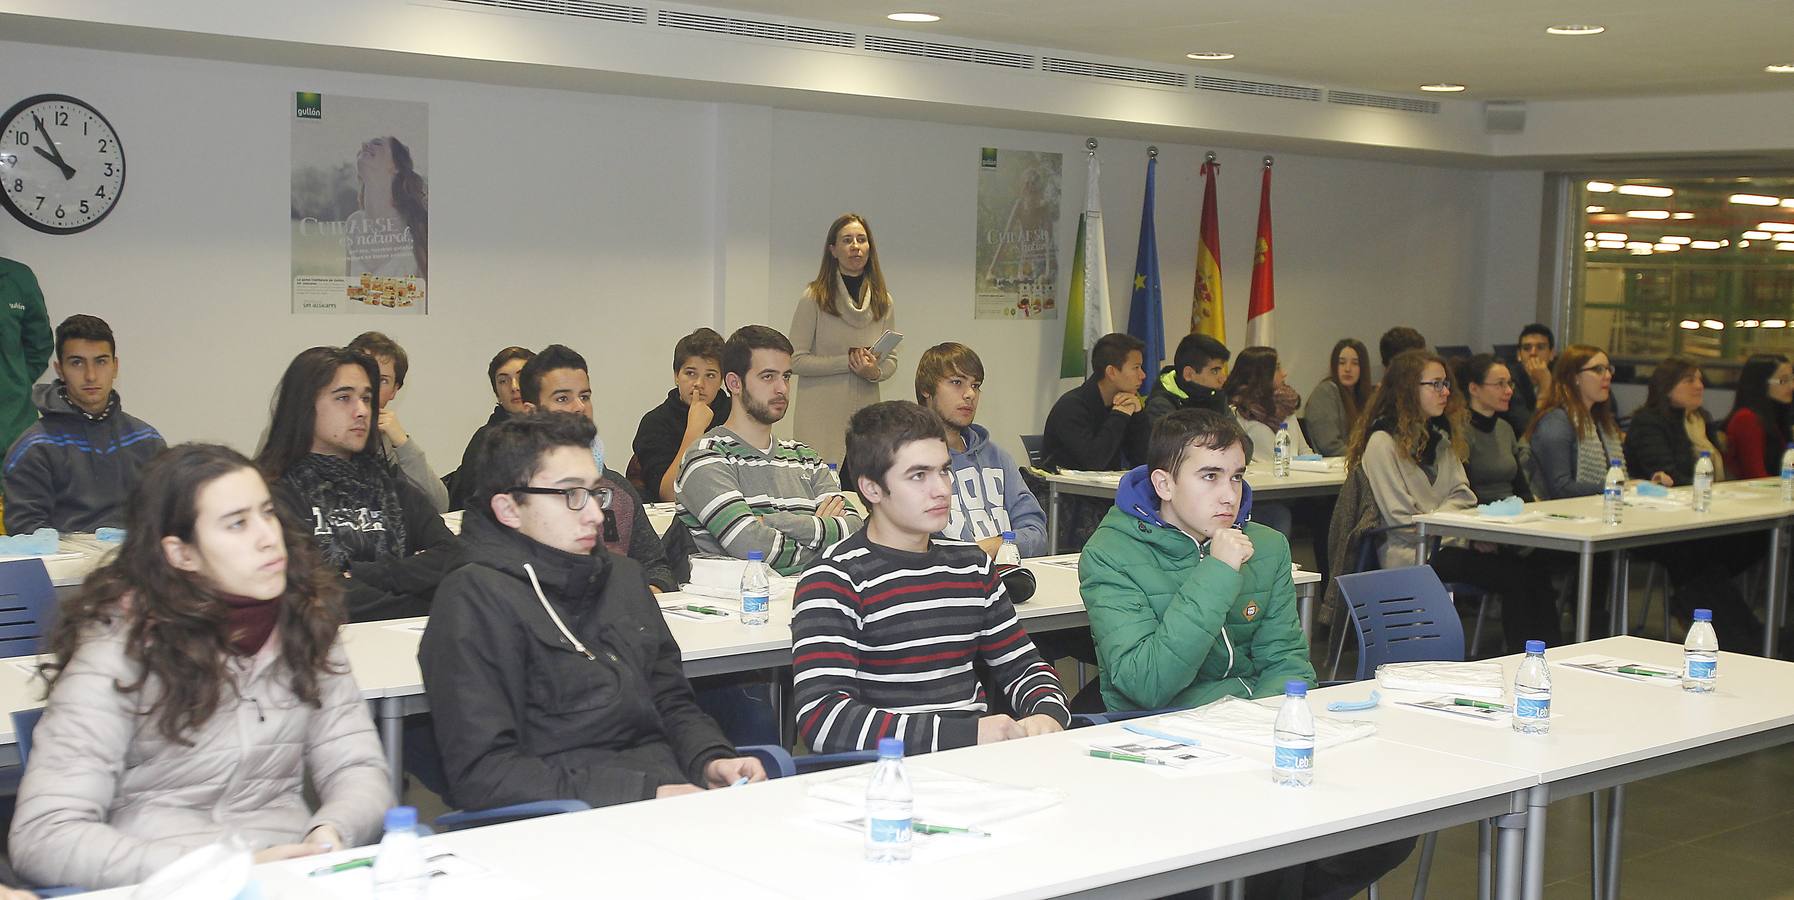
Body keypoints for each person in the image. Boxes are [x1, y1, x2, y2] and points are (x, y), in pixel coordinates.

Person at [8, 444, 389, 890]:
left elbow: (358, 767)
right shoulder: (118, 646)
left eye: (267, 513)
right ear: (181, 553)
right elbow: (45, 834)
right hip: (167, 878)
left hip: (289, 869)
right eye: (237, 524)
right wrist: (221, 869)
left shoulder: (307, 623)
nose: (268, 536)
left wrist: (329, 835)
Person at [1080, 408, 1411, 900]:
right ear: (1164, 484)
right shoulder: (1109, 554)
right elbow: (1146, 682)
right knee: (1254, 851)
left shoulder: (1268, 546)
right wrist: (1218, 572)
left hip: (1256, 739)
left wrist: (1268, 727)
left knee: (1392, 822)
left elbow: (1288, 663)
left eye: (1235, 476)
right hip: (1168, 741)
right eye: (1209, 476)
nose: (1228, 494)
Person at [420, 413, 765, 811]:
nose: (596, 515)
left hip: (666, 800)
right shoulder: (472, 600)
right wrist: (643, 793)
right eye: (571, 496)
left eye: (595, 494)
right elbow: (485, 774)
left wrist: (711, 758)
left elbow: (671, 701)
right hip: (559, 826)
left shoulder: (622, 578)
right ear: (509, 508)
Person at [792, 401, 1070, 753]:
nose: (941, 489)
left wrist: (1048, 713)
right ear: (872, 489)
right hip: (884, 777)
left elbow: (1024, 667)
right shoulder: (833, 578)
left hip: (975, 764)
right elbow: (824, 720)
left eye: (944, 471)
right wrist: (964, 735)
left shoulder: (972, 565)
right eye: (918, 476)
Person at [1347, 350, 1560, 649]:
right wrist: (1458, 533)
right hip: (1411, 552)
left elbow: (1463, 495)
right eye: (1435, 384)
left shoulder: (1439, 441)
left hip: (1443, 544)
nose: (1445, 391)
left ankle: (1548, 658)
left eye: (1446, 384)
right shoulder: (1381, 443)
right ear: (1409, 388)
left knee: (1534, 569)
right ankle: (1524, 659)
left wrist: (1444, 523)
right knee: (1515, 577)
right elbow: (1403, 520)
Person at [258, 346, 462, 621]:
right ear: (303, 405)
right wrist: (421, 593)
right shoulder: (274, 495)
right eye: (344, 398)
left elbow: (455, 558)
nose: (362, 411)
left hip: (404, 645)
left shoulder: (392, 489)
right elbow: (312, 593)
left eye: (366, 398)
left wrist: (365, 574)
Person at [675, 325, 861, 575]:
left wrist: (775, 522)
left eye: (786, 376)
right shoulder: (707, 456)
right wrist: (820, 534)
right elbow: (752, 547)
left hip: (812, 600)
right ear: (734, 383)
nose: (782, 388)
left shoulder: (805, 457)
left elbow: (854, 532)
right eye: (768, 377)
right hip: (744, 607)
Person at [501, 344, 677, 592]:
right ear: (531, 412)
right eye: (563, 398)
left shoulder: (617, 489)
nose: (579, 407)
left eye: (584, 396)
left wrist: (645, 593)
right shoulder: (514, 491)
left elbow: (657, 567)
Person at [4, 315, 166, 534]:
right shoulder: (34, 448)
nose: (91, 376)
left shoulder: (147, 441)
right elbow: (28, 536)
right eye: (77, 363)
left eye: (101, 361)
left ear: (115, 366)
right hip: (65, 567)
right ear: (60, 369)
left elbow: (166, 520)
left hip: (136, 565)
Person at [915, 341, 1048, 557]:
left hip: (1006, 576)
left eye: (975, 385)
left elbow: (1037, 534)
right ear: (926, 390)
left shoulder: (997, 458)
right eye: (957, 382)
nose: (970, 394)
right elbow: (915, 546)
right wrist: (977, 553)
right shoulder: (910, 463)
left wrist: (997, 546)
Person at [790, 212, 898, 462]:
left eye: (861, 239)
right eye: (847, 240)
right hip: (820, 418)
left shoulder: (884, 301)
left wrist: (873, 372)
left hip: (866, 419)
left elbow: (890, 359)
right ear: (833, 249)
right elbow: (794, 360)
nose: (855, 247)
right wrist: (849, 361)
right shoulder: (814, 297)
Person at [346, 331, 449, 512]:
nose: (371, 386)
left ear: (395, 390)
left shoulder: (385, 440)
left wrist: (403, 443)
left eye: (383, 380)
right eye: (366, 374)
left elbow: (439, 504)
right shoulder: (326, 431)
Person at [632, 328, 733, 503]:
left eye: (710, 375)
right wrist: (694, 431)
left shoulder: (737, 414)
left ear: (722, 380)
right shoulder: (655, 422)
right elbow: (669, 495)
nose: (699, 384)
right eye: (690, 373)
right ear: (676, 376)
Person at [1523, 344, 1624, 500]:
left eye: (1608, 369)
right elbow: (1560, 488)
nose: (1608, 376)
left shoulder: (1601, 422)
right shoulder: (1556, 421)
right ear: (1575, 378)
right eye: (1598, 370)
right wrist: (1615, 487)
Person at [1041, 332, 1151, 472]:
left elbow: (1146, 461)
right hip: (1064, 491)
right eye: (1136, 368)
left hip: (1105, 492)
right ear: (1111, 372)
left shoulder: (1124, 402)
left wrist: (1139, 415)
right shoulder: (1071, 407)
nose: (1143, 375)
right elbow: (1094, 462)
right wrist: (1119, 415)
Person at [0, 257, 53, 533]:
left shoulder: (18, 278)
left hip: (12, 436)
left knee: (17, 549)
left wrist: (11, 383)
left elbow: (39, 347)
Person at [450, 346, 534, 511]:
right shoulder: (487, 440)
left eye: (521, 376)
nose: (514, 387)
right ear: (497, 394)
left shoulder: (558, 434)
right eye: (503, 381)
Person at [1624, 357, 1723, 487]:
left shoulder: (1700, 419)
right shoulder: (1648, 422)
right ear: (1667, 388)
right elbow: (1668, 476)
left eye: (1700, 379)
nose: (1699, 386)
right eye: (1689, 380)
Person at [347, 136, 427, 279]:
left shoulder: (417, 224)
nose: (364, 144)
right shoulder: (353, 223)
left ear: (395, 166)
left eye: (377, 143)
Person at [1457, 353, 1531, 503]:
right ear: (1474, 389)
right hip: (1480, 513)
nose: (1509, 390)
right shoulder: (1460, 430)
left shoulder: (1505, 428)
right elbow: (1466, 492)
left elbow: (1521, 487)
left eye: (1510, 383)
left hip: (1513, 509)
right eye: (1500, 384)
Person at [1224, 346, 1311, 463]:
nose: (1284, 373)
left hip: (1296, 477)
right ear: (1260, 374)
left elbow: (1304, 451)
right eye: (1277, 368)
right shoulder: (1237, 411)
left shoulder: (1285, 405)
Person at [1723, 353, 1793, 479]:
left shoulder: (1778, 415)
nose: (1792, 386)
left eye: (1792, 379)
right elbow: (1756, 476)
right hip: (1753, 494)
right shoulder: (1746, 419)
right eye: (1783, 380)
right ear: (1761, 382)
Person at [1303, 338, 1370, 457]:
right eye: (1342, 363)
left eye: (1355, 363)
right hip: (1332, 469)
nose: (1348, 369)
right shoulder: (1325, 393)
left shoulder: (1362, 397)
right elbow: (1330, 446)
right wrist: (1366, 458)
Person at [1143, 332, 1231, 423]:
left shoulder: (1215, 395)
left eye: (1222, 370)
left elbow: (1239, 435)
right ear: (1188, 374)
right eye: (1215, 371)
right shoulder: (1160, 406)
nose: (1223, 378)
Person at [1505, 323, 1556, 438]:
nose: (1533, 353)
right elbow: (1528, 429)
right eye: (1527, 348)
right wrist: (1544, 389)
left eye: (1540, 347)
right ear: (1519, 355)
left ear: (1552, 354)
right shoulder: (1509, 381)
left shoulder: (1560, 378)